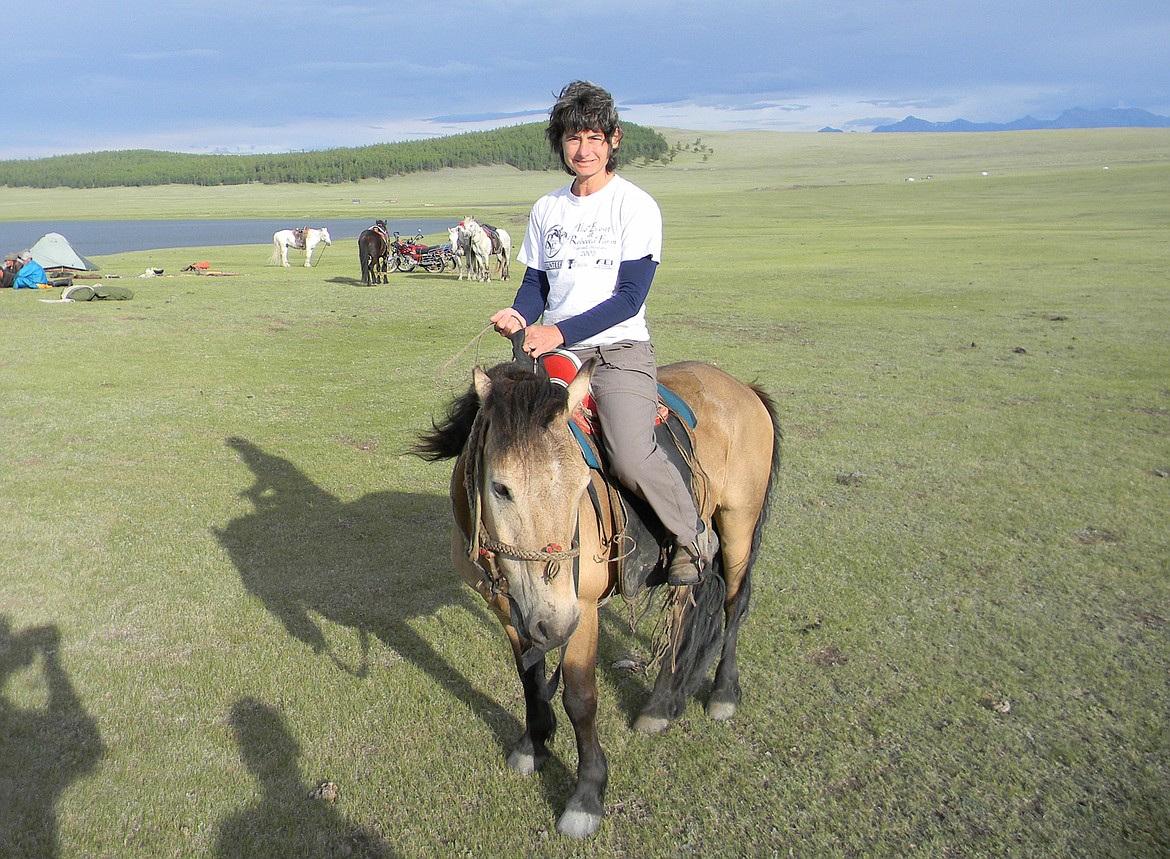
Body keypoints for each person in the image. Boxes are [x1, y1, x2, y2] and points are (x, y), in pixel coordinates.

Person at [489, 80, 710, 586]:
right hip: (554, 352)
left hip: (617, 351)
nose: (583, 149)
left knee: (630, 454)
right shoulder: (548, 209)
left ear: (614, 139)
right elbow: (536, 282)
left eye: (593, 137)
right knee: (510, 442)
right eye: (572, 138)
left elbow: (629, 298)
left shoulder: (634, 206)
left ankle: (691, 536)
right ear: (560, 144)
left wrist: (556, 331)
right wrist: (522, 317)